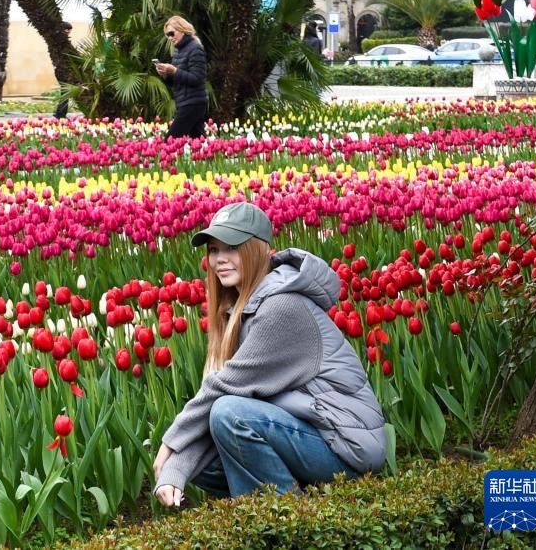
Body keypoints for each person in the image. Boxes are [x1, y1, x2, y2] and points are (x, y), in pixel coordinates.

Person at [153, 202, 387, 506]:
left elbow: (224, 390)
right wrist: (175, 469)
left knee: (228, 414)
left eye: (232, 248)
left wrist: (170, 444)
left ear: (258, 249)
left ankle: (283, 517)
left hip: (345, 447)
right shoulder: (242, 308)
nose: (219, 259)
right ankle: (288, 506)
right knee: (203, 455)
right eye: (213, 250)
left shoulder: (281, 308)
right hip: (308, 433)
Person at [155, 15, 208, 140]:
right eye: (167, 35)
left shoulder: (195, 48)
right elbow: (177, 80)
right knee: (199, 142)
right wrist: (165, 75)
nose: (170, 38)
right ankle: (212, 154)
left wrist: (174, 70)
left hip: (193, 103)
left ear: (182, 29)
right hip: (185, 102)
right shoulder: (178, 51)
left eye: (172, 33)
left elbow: (197, 78)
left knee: (170, 142)